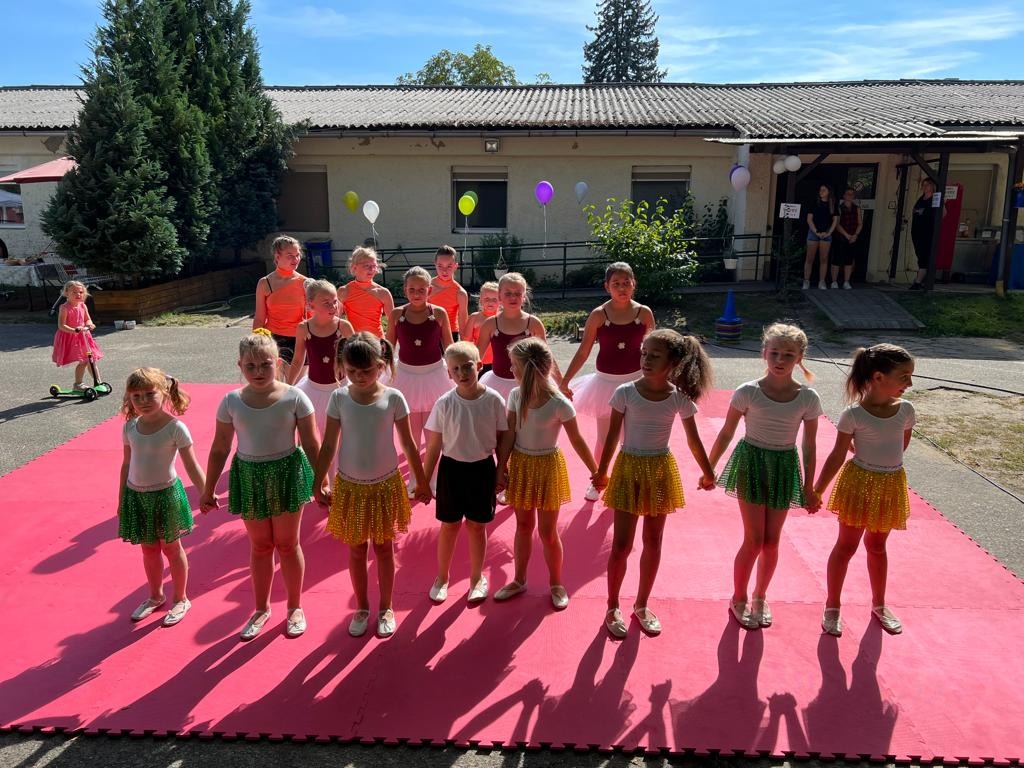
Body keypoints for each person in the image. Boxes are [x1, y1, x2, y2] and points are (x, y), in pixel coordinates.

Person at [593, 329, 716, 639]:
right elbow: (611, 437)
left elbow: (694, 440)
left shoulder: (678, 399)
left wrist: (708, 472)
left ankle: (642, 604)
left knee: (653, 541)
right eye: (644, 354)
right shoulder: (625, 392)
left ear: (672, 363)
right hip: (628, 468)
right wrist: (602, 472)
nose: (646, 360)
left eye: (655, 356)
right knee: (622, 545)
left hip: (660, 471)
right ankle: (612, 605)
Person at [200, 331, 321, 641]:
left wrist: (322, 482)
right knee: (261, 546)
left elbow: (311, 443)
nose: (258, 372)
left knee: (288, 544)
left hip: (287, 473)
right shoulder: (231, 401)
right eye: (250, 366)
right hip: (250, 475)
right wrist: (208, 488)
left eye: (265, 364)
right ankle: (261, 608)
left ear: (277, 363)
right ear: (239, 366)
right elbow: (220, 447)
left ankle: (294, 607)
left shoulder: (295, 397)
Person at [314, 332, 431, 639]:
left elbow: (409, 444)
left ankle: (386, 606)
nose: (359, 377)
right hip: (350, 486)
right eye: (352, 371)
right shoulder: (339, 398)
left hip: (384, 484)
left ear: (381, 366)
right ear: (343, 367)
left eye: (366, 371)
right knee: (356, 549)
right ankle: (362, 607)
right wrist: (318, 481)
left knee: (383, 547)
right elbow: (329, 444)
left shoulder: (394, 398)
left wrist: (421, 481)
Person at [706, 323, 822, 630]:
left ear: (800, 358)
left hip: (784, 465)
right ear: (764, 353)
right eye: (775, 353)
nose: (780, 360)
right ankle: (739, 597)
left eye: (788, 354)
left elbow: (809, 445)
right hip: (752, 462)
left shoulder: (808, 397)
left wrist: (810, 486)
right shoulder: (748, 391)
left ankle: (760, 595)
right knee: (754, 540)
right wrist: (709, 467)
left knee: (771, 543)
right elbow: (726, 432)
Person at [813, 343, 915, 637]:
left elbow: (901, 446)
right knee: (846, 546)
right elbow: (837, 455)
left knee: (878, 546)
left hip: (890, 484)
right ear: (879, 377)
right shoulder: (853, 414)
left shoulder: (906, 410)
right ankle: (832, 605)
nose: (910, 383)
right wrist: (817, 490)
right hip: (859, 483)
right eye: (904, 376)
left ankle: (879, 604)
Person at [493, 338, 599, 610]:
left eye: (514, 365)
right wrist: (500, 468)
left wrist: (596, 471)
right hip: (521, 465)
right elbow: (509, 434)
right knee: (523, 526)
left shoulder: (559, 403)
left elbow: (577, 440)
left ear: (528, 369)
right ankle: (519, 580)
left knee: (548, 532)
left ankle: (556, 583)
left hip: (548, 468)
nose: (510, 370)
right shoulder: (516, 395)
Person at [559, 262, 655, 502]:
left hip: (636, 383)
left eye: (626, 283)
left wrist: (659, 379)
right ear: (607, 287)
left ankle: (630, 481)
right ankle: (598, 479)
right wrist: (565, 380)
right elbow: (583, 351)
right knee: (605, 437)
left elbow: (653, 350)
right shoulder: (599, 315)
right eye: (616, 284)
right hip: (605, 385)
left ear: (634, 284)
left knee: (631, 438)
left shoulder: (644, 313)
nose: (622, 288)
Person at [118, 368, 206, 627]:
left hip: (166, 495)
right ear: (129, 398)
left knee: (171, 547)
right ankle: (156, 595)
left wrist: (206, 491)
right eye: (136, 396)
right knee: (148, 549)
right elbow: (126, 464)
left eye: (149, 394)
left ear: (164, 392)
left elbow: (192, 464)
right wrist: (121, 498)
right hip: (137, 495)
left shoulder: (175, 428)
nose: (143, 401)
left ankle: (181, 598)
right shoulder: (130, 427)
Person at [422, 342, 507, 604]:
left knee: (477, 527)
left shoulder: (494, 400)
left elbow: (503, 438)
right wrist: (424, 481)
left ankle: (476, 578)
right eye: (455, 369)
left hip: (483, 470)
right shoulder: (445, 403)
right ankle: (442, 578)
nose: (462, 373)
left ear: (480, 365)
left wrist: (502, 470)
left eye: (467, 366)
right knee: (449, 526)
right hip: (451, 470)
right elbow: (434, 445)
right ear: (449, 374)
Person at [287, 279, 354, 479]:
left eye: (334, 302)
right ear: (311, 305)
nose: (333, 306)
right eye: (326, 303)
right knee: (314, 438)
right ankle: (319, 479)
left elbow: (356, 357)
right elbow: (298, 360)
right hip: (313, 390)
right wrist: (287, 387)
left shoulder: (344, 326)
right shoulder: (304, 328)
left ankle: (340, 480)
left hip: (340, 389)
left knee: (339, 439)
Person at [385, 267, 454, 454]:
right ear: (405, 290)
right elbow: (388, 347)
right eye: (412, 289)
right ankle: (414, 471)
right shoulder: (396, 314)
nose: (416, 294)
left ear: (429, 290)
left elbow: (449, 347)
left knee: (433, 433)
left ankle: (432, 471)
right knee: (411, 433)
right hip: (405, 377)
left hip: (435, 377)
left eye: (422, 290)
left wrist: (454, 368)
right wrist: (383, 370)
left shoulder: (439, 313)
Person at [476, 272, 560, 402]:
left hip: (529, 384)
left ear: (524, 296)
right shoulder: (490, 324)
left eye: (517, 293)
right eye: (508, 293)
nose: (513, 297)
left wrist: (561, 383)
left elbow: (547, 357)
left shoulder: (533, 323)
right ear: (499, 296)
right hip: (497, 382)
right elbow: (477, 358)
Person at [254, 235, 308, 364]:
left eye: (297, 255)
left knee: (297, 378)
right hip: (273, 340)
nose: (296, 259)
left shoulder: (306, 283)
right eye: (290, 255)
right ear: (277, 257)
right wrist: (256, 343)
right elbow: (260, 318)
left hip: (300, 339)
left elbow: (313, 316)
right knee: (276, 376)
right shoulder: (264, 283)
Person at [52, 280, 103, 390]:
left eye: (80, 292)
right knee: (83, 361)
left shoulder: (83, 306)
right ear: (66, 293)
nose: (78, 294)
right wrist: (74, 330)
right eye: (74, 292)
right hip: (70, 336)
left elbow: (87, 319)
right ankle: (78, 384)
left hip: (83, 336)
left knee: (91, 360)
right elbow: (61, 325)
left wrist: (90, 324)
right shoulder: (64, 308)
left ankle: (98, 383)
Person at [339, 246, 394, 337]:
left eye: (374, 266)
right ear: (354, 267)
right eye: (366, 266)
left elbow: (393, 323)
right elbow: (334, 321)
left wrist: (388, 343)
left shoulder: (383, 292)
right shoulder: (344, 291)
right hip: (355, 341)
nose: (371, 269)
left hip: (377, 341)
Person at [430, 245, 469, 342]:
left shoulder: (460, 293)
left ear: (455, 266)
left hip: (451, 333)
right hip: (429, 331)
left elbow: (463, 322)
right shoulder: (426, 287)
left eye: (449, 266)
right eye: (440, 266)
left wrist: (464, 344)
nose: (444, 270)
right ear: (435, 265)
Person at [802, 185, 838, 290]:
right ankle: (806, 281)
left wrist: (829, 232)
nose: (821, 191)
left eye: (824, 190)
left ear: (829, 192)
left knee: (824, 259)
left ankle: (822, 281)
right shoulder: (815, 203)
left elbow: (835, 221)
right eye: (820, 190)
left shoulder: (833, 204)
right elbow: (809, 219)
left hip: (826, 234)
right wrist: (816, 232)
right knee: (809, 258)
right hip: (814, 233)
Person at [464, 281, 499, 375]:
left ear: (501, 301)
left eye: (494, 299)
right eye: (487, 299)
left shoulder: (503, 318)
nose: (490, 302)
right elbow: (466, 341)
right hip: (479, 361)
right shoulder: (474, 317)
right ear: (480, 300)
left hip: (498, 362)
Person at [831, 187, 863, 289]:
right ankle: (834, 281)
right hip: (840, 237)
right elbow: (837, 224)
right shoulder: (839, 208)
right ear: (844, 196)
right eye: (848, 194)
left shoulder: (857, 208)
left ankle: (846, 282)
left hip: (852, 238)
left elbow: (860, 223)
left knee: (849, 260)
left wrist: (855, 235)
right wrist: (846, 235)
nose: (850, 196)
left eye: (852, 194)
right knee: (836, 259)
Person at [909, 178, 938, 290]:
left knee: (924, 256)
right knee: (920, 255)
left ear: (932, 186)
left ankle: (918, 281)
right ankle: (921, 280)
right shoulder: (921, 198)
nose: (924, 187)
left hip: (927, 232)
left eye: (927, 185)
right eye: (923, 185)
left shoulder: (935, 198)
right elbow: (915, 211)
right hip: (917, 231)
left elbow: (942, 213)